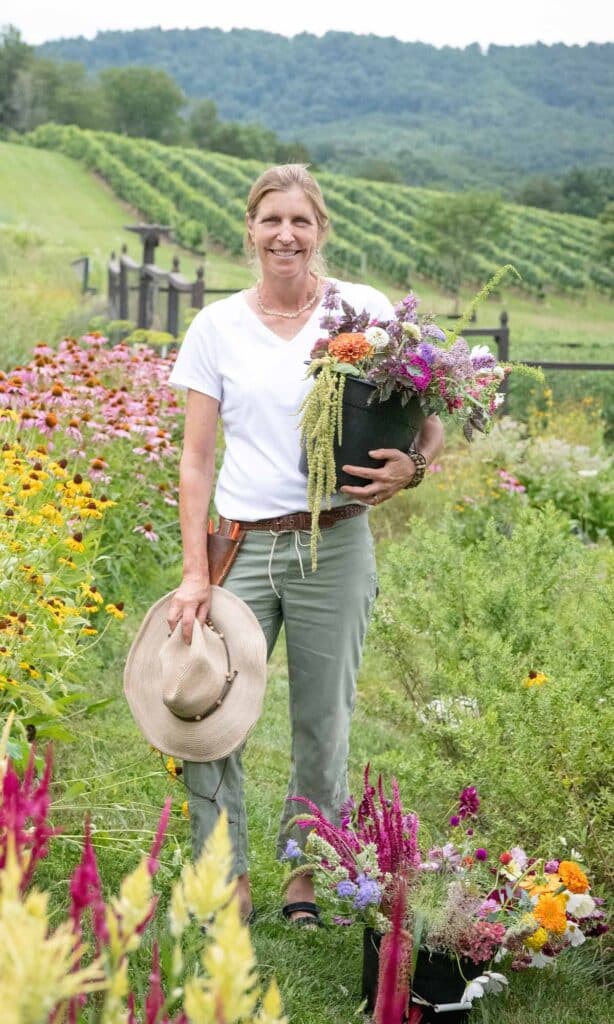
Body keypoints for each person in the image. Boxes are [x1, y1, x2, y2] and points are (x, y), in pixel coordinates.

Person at [166, 164, 444, 926]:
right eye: (270, 220)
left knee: (324, 720)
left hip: (335, 544)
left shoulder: (366, 311)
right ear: (250, 230)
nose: (285, 234)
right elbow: (196, 458)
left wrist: (415, 466)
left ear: (321, 229)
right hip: (241, 545)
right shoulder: (217, 326)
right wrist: (195, 574)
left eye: (300, 221)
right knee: (206, 710)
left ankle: (306, 878)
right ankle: (225, 878)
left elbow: (430, 414)